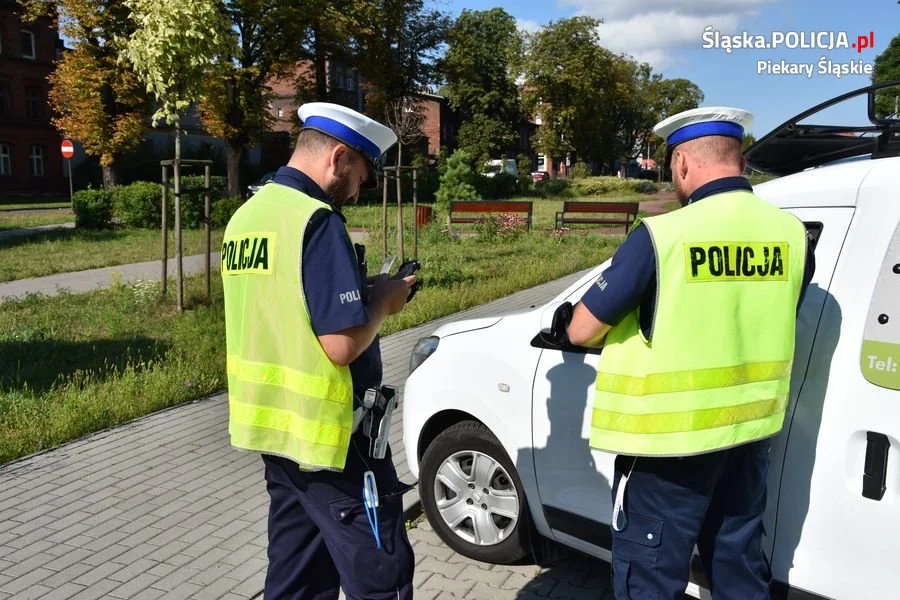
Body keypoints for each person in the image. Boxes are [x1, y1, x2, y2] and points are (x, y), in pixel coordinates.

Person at [560, 107, 816, 599]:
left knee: (651, 579)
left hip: (668, 446)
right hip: (749, 435)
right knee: (739, 566)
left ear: (681, 163)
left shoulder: (662, 235)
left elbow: (582, 329)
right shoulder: (792, 234)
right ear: (740, 161)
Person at [221, 102, 417, 600]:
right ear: (338, 157)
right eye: (360, 177)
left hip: (276, 435)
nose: (357, 192)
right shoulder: (318, 220)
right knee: (382, 577)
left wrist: (358, 293)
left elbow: (285, 305)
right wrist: (384, 302)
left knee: (298, 581)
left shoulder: (248, 216)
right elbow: (340, 344)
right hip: (334, 444)